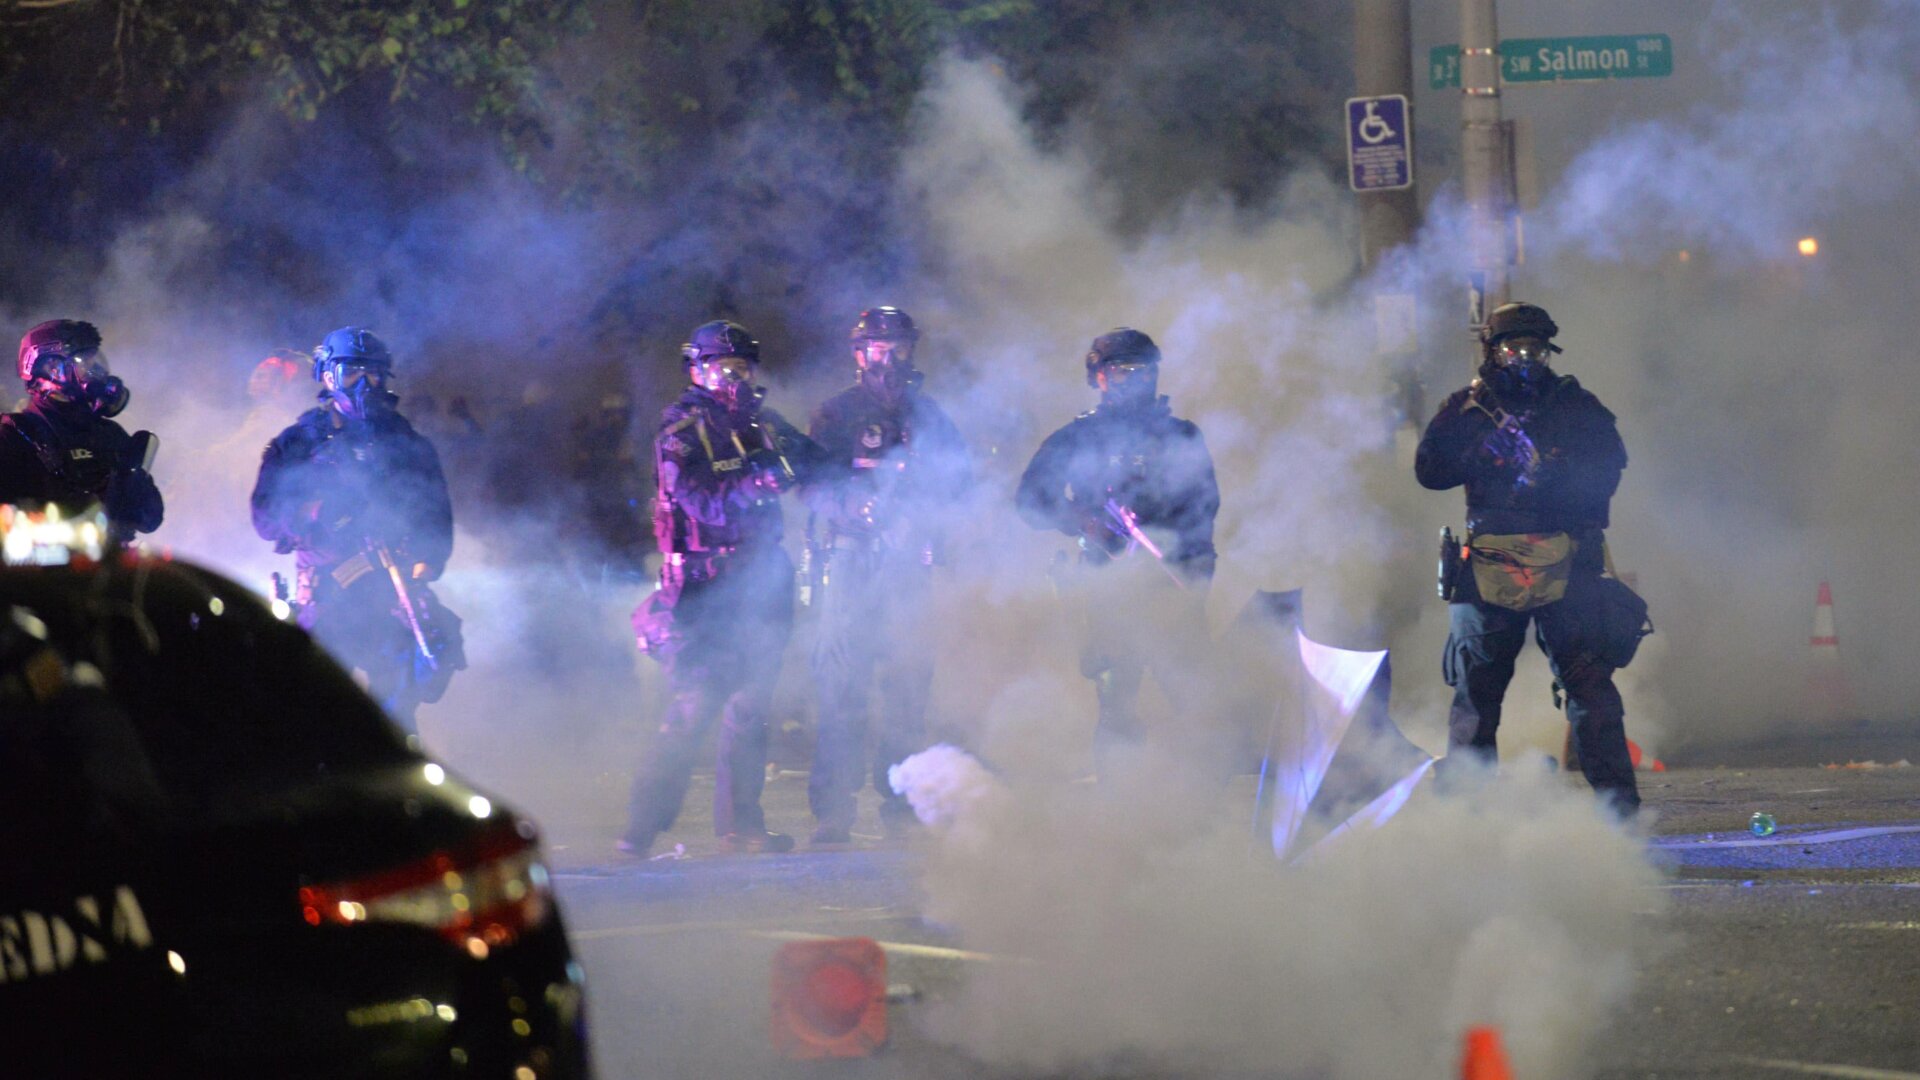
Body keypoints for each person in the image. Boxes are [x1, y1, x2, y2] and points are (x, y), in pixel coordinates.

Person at [1415, 301, 1641, 814]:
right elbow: (1429, 471)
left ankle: (1620, 817)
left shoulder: (1574, 404)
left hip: (1567, 560)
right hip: (1490, 562)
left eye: (1535, 349)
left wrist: (1564, 475)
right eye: (1514, 348)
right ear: (1492, 350)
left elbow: (1610, 467)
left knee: (1590, 689)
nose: (1525, 358)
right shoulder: (1467, 408)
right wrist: (1481, 452)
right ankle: (1466, 817)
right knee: (1476, 696)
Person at [622, 320, 824, 856]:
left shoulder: (763, 422)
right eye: (721, 368)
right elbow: (700, 503)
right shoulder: (682, 431)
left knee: (752, 705)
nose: (734, 378)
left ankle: (742, 826)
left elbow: (815, 463)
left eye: (742, 368)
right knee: (695, 703)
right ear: (696, 371)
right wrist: (758, 481)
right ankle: (640, 827)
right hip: (705, 584)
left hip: (764, 578)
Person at [800, 306, 970, 844]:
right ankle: (833, 812)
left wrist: (928, 518)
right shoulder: (836, 414)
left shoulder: (930, 415)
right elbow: (810, 483)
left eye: (899, 347)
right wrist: (853, 507)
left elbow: (961, 482)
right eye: (879, 348)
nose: (890, 358)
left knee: (908, 683)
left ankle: (901, 804)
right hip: (852, 560)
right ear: (859, 354)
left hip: (907, 565)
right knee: (842, 684)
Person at [1016, 328, 1220, 773]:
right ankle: (1119, 799)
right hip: (1108, 589)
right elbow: (1029, 500)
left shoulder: (1181, 436)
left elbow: (1205, 506)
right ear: (1100, 376)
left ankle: (1200, 795)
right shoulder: (1078, 437)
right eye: (1122, 370)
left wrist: (1186, 564)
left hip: (1170, 585)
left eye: (1142, 370)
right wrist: (1082, 520)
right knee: (1116, 703)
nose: (1133, 380)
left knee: (1195, 700)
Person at [250, 327, 463, 736]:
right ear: (328, 376)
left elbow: (436, 516)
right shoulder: (299, 442)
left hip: (392, 595)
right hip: (329, 596)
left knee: (398, 717)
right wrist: (317, 511)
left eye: (374, 373)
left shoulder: (408, 443)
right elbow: (266, 518)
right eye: (351, 372)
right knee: (321, 713)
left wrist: (423, 566)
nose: (365, 383)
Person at [0, 319, 163, 543]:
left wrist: (133, 483)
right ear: (52, 369)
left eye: (94, 360)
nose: (96, 372)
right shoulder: (14, 436)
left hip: (107, 563)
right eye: (83, 362)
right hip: (46, 564)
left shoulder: (109, 433)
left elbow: (151, 520)